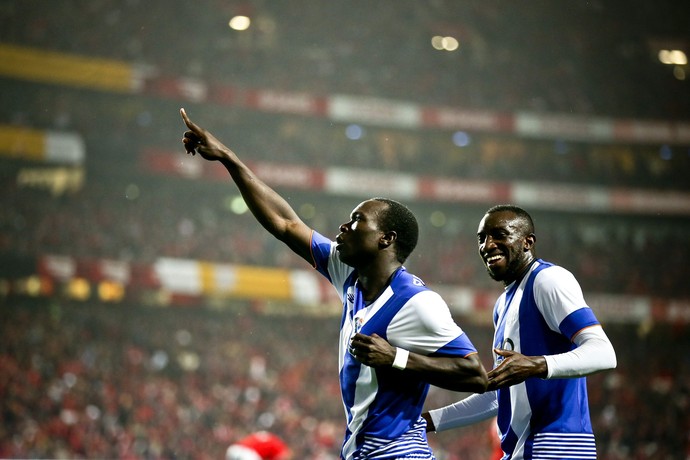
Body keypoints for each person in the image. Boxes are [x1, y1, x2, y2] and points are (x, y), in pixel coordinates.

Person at [179, 108, 488, 460]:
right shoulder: (350, 275)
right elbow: (285, 223)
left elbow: (475, 374)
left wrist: (397, 358)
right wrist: (228, 159)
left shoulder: (416, 302)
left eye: (357, 221)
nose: (344, 226)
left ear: (386, 239)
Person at [353, 205, 617, 459]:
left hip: (557, 448)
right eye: (482, 238)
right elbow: (496, 396)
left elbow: (603, 353)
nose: (487, 245)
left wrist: (537, 365)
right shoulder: (504, 303)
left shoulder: (548, 280)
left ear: (527, 242)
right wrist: (428, 421)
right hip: (521, 450)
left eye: (499, 235)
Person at [225, 431, 292, 460]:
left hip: (233, 449)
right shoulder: (280, 447)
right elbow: (282, 457)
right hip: (247, 454)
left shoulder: (272, 439)